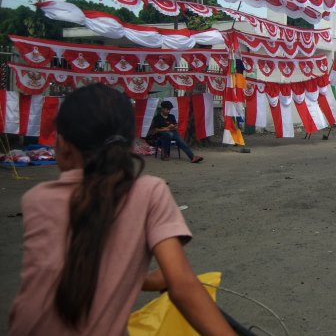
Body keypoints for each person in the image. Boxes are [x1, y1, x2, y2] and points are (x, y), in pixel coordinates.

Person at [9, 84, 232, 335]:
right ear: (128, 145)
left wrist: (144, 280)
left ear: (61, 146)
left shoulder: (36, 200)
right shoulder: (149, 192)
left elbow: (73, 267)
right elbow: (182, 287)